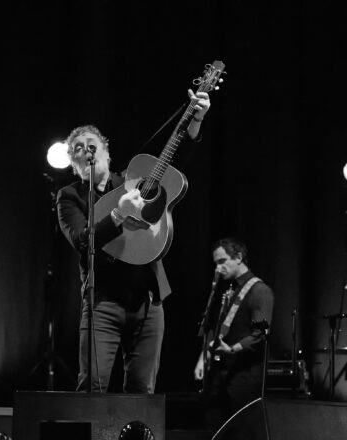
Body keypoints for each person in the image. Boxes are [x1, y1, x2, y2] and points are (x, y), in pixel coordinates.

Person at [57, 89, 211, 393]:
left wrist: (195, 121)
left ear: (105, 150)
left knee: (143, 392)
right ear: (72, 159)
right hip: (101, 303)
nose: (85, 150)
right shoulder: (70, 196)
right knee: (92, 389)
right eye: (77, 147)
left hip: (148, 302)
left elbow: (174, 165)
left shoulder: (131, 180)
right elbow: (80, 241)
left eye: (91, 144)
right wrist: (116, 215)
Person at [194, 237, 274, 426]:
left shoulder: (260, 290)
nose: (218, 269)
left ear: (238, 257)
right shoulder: (231, 289)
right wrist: (203, 355)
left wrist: (232, 349)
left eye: (222, 261)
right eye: (216, 264)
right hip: (221, 374)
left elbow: (260, 335)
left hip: (244, 377)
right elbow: (217, 326)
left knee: (240, 429)